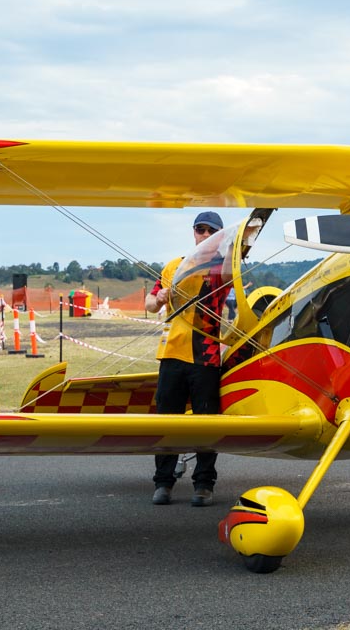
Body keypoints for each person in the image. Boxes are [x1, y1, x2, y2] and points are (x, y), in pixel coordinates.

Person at [145, 210, 228, 507]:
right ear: (193, 232)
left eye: (211, 232)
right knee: (167, 422)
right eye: (200, 230)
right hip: (171, 352)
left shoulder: (224, 267)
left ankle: (204, 484)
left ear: (220, 236)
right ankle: (163, 483)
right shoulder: (172, 266)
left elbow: (233, 272)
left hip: (206, 354)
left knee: (207, 423)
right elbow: (150, 304)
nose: (204, 235)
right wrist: (158, 298)